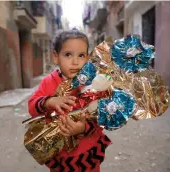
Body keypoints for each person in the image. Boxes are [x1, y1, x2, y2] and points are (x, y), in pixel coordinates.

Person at [28, 29, 111, 172]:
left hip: (88, 153)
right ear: (55, 57)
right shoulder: (49, 82)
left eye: (81, 55)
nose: (75, 62)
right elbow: (32, 107)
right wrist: (49, 102)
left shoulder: (94, 84)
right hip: (60, 156)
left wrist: (83, 128)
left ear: (88, 58)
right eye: (68, 55)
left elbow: (103, 116)